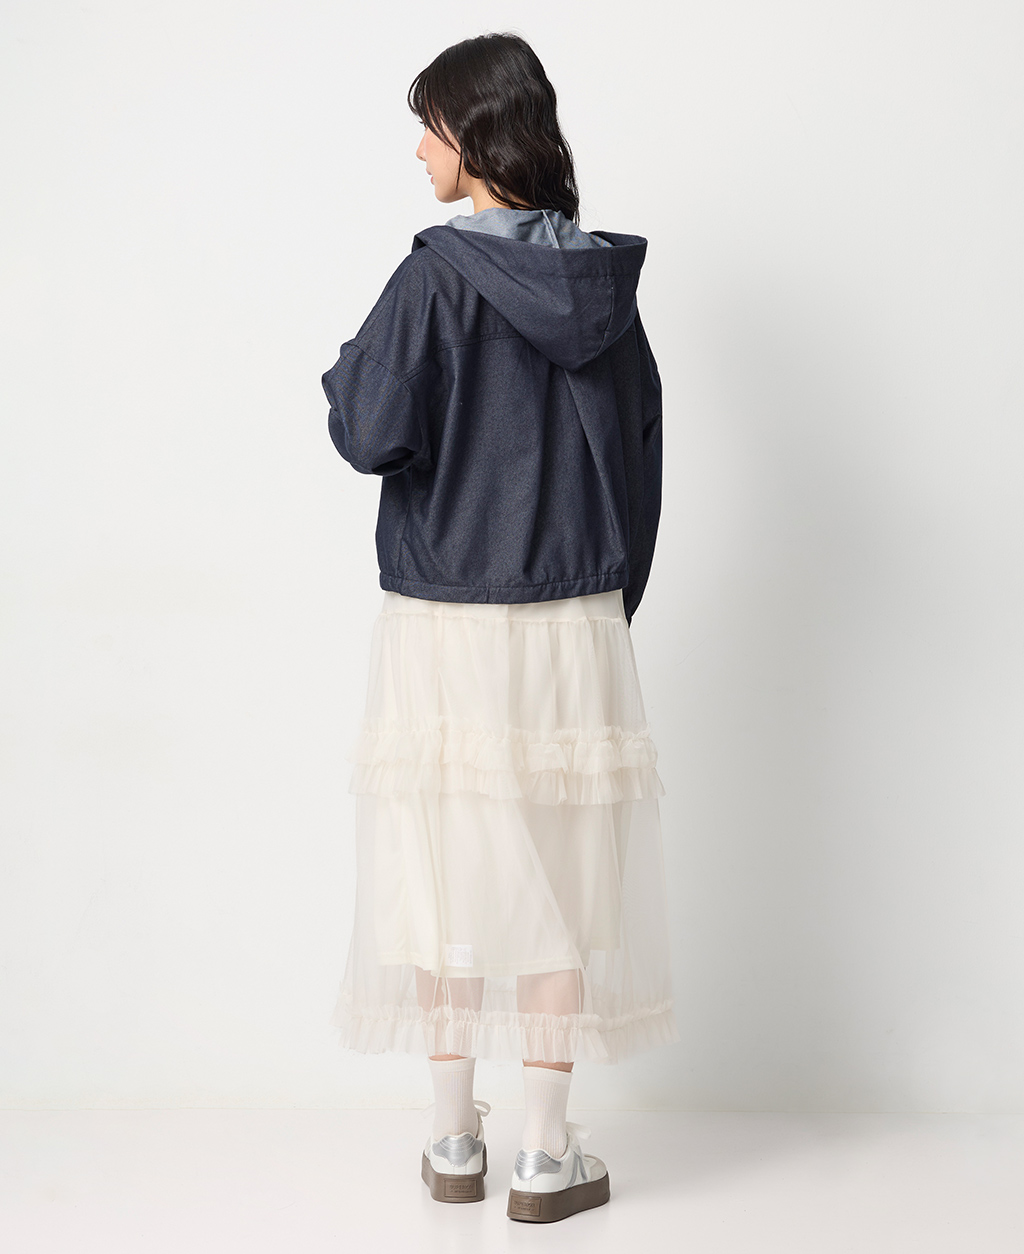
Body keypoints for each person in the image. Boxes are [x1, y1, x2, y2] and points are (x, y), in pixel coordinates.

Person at [321, 31, 678, 1224]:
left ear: (473, 136)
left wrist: (350, 368)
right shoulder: (603, 288)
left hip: (448, 616)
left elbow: (370, 431)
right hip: (574, 616)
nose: (417, 149)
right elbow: (640, 458)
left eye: (429, 125)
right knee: (564, 880)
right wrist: (604, 600)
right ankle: (544, 1154)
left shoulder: (432, 277)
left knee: (442, 871)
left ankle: (451, 1141)